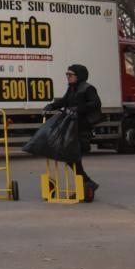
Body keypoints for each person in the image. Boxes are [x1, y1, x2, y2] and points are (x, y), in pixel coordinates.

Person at [45, 64, 101, 201]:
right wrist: (52, 105)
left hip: (83, 129)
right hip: (72, 128)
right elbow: (64, 101)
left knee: (73, 157)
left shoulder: (88, 88)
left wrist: (78, 108)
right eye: (67, 75)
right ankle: (87, 183)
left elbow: (95, 104)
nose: (68, 77)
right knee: (71, 158)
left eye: (70, 75)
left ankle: (85, 185)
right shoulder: (71, 88)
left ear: (79, 76)